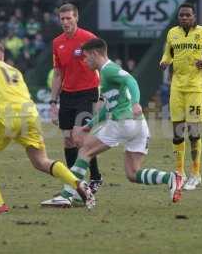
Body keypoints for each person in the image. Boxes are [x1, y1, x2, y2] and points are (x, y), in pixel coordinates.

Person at [0, 41, 95, 214]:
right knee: (41, 161)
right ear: (2, 55)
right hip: (31, 113)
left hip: (9, 114)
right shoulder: (14, 70)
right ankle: (77, 183)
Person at [68, 38, 183, 203]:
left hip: (123, 122)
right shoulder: (106, 73)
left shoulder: (108, 69)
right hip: (139, 125)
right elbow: (108, 107)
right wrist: (89, 125)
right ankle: (171, 178)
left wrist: (136, 102)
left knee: (85, 151)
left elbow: (132, 81)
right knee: (133, 173)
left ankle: (69, 195)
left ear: (95, 54)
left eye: (86, 57)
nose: (84, 61)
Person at [159, 3, 202, 191]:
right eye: (181, 15)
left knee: (194, 132)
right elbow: (168, 53)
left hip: (195, 88)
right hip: (177, 88)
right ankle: (180, 172)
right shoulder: (172, 33)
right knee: (177, 132)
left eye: (188, 15)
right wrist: (165, 61)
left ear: (194, 16)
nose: (184, 18)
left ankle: (196, 174)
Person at [41, 3, 102, 207]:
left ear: (76, 18)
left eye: (69, 18)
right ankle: (75, 183)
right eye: (62, 19)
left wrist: (102, 93)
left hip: (87, 92)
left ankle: (94, 178)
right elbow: (58, 74)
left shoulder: (88, 38)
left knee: (79, 138)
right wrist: (52, 101)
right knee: (67, 141)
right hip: (67, 95)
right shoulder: (57, 43)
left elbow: (101, 64)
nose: (65, 22)